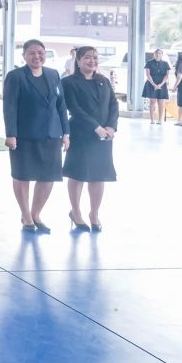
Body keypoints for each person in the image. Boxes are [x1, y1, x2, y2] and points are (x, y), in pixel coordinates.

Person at [3, 39, 70, 233]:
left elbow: (61, 106)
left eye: (40, 52)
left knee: (48, 177)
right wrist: (11, 134)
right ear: (24, 55)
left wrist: (65, 133)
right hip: (24, 136)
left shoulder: (53, 74)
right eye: (32, 53)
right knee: (22, 175)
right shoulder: (15, 76)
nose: (37, 56)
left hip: (51, 134)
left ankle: (36, 213)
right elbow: (9, 107)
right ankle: (25, 215)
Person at [62, 46, 118, 233]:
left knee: (98, 175)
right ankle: (76, 212)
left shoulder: (103, 81)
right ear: (78, 61)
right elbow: (74, 108)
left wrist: (111, 127)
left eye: (95, 57)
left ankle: (94, 214)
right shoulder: (69, 82)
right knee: (77, 174)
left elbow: (113, 104)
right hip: (81, 134)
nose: (92, 61)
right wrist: (96, 127)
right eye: (87, 57)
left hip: (103, 137)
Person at [143, 49, 170, 124]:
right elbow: (148, 74)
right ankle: (152, 119)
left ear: (162, 55)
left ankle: (160, 119)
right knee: (152, 101)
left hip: (162, 84)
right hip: (151, 83)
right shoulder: (149, 63)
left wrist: (160, 84)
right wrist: (154, 84)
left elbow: (166, 75)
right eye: (156, 53)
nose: (158, 55)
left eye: (159, 53)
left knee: (161, 102)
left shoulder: (165, 63)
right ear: (154, 54)